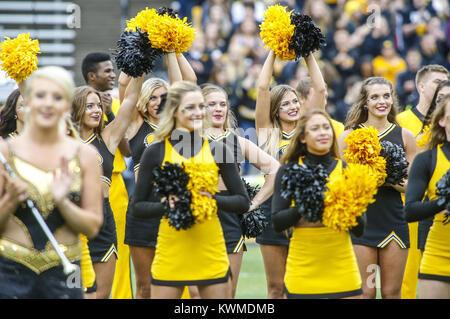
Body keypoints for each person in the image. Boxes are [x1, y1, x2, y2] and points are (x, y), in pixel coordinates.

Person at [130, 81, 249, 299]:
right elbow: (137, 207)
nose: (198, 113)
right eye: (190, 108)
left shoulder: (217, 149)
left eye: (200, 107)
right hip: (171, 247)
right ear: (174, 112)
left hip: (210, 246)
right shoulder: (155, 152)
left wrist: (212, 199)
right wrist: (166, 205)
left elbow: (242, 201)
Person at [0, 66, 103, 298]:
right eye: (40, 95)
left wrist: (63, 202)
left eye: (57, 97)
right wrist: (10, 200)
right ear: (28, 103)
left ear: (67, 105)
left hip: (65, 274)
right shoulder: (5, 153)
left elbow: (93, 227)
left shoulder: (85, 155)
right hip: (11, 272)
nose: (47, 103)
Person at [120, 53, 192, 299]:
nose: (159, 101)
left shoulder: (177, 124)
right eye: (152, 97)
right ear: (143, 102)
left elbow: (184, 84)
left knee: (178, 281)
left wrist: (171, 50)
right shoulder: (136, 124)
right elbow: (126, 90)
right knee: (144, 287)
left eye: (164, 97)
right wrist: (142, 52)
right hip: (143, 210)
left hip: (174, 207)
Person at [338, 76, 417, 299]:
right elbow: (340, 183)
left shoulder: (405, 136)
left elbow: (414, 188)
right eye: (374, 97)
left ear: (392, 99)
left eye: (386, 96)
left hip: (393, 220)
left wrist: (386, 178)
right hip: (362, 221)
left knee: (392, 292)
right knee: (366, 292)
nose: (381, 101)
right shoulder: (348, 137)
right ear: (365, 102)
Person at [272, 109, 364, 299]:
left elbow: (360, 229)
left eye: (326, 128)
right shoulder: (289, 170)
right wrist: (305, 203)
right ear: (303, 138)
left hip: (342, 263)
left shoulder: (346, 170)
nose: (323, 132)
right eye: (315, 128)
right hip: (302, 265)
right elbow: (278, 222)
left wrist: (342, 205)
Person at [202, 83, 280, 298]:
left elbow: (275, 170)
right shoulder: (188, 141)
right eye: (211, 104)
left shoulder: (237, 141)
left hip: (229, 218)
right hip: (197, 215)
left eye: (223, 104)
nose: (218, 109)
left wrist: (253, 204)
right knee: (195, 294)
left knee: (227, 294)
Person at [71, 75, 143, 298]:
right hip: (70, 222)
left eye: (98, 106)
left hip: (102, 220)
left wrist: (139, 69)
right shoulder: (62, 142)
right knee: (72, 293)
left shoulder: (107, 139)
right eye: (89, 106)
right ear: (76, 110)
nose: (96, 111)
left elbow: (130, 101)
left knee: (101, 295)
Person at [81, 52, 133, 298]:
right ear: (92, 76)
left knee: (118, 254)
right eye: (107, 71)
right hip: (75, 203)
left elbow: (128, 148)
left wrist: (109, 111)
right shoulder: (65, 135)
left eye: (114, 70)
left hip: (113, 185)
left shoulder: (111, 110)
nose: (112, 75)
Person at [396, 64, 448, 299]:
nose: (443, 89)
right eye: (438, 83)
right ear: (421, 86)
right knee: (407, 277)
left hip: (432, 212)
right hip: (411, 206)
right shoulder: (402, 120)